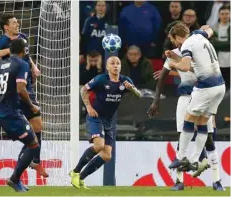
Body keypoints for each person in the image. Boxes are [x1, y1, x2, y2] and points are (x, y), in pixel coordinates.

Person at [148, 27, 225, 191]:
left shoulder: (190, 48)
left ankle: (216, 179)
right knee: (183, 135)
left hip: (202, 93)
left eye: (173, 39)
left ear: (178, 37)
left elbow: (193, 68)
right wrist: (155, 101)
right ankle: (179, 180)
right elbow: (162, 78)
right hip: (187, 98)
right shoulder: (184, 48)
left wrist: (176, 64)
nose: (173, 43)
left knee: (209, 138)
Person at [0, 14, 47, 177]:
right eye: (14, 22)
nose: (18, 24)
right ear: (6, 27)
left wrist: (34, 67)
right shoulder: (2, 40)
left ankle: (34, 160)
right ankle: (25, 165)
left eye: (17, 22)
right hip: (12, 83)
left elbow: (26, 56)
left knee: (37, 125)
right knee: (8, 114)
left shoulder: (22, 37)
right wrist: (10, 50)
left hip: (26, 83)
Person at [69, 56, 142, 189]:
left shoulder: (125, 81)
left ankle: (80, 178)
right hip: (96, 116)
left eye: (118, 63)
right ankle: (75, 171)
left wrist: (131, 89)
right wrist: (89, 107)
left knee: (107, 155)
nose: (115, 66)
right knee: (99, 145)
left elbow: (139, 95)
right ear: (107, 67)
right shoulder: (101, 79)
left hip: (109, 120)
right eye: (112, 63)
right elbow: (83, 90)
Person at [166, 23, 225, 175]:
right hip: (220, 86)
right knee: (202, 121)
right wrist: (207, 28)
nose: (177, 44)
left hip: (205, 87)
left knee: (188, 120)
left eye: (175, 41)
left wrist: (173, 63)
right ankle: (194, 160)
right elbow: (210, 30)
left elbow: (185, 67)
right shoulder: (199, 35)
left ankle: (181, 157)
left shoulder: (187, 44)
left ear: (179, 37)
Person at [0, 39, 40, 192]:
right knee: (34, 144)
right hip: (12, 113)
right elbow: (21, 89)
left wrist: (1, 91)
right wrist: (32, 105)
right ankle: (15, 179)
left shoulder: (2, 64)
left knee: (30, 140)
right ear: (23, 51)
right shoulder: (22, 64)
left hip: (0, 110)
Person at [211, 6, 230, 90]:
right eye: (222, 14)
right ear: (219, 15)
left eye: (227, 14)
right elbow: (212, 43)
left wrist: (217, 44)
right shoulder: (213, 28)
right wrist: (226, 45)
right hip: (218, 58)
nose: (225, 16)